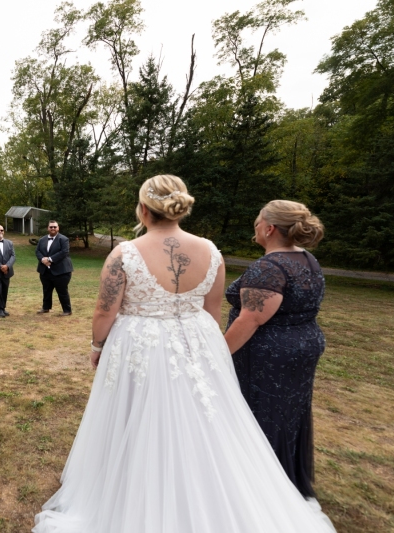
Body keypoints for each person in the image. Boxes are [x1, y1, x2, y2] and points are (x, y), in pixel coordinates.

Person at [33, 175, 335, 533]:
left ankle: (135, 490)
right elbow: (210, 312)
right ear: (179, 208)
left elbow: (104, 312)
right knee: (203, 420)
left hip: (139, 345)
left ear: (144, 209)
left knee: (137, 415)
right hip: (197, 340)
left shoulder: (124, 254)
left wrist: (98, 346)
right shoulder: (212, 251)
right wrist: (202, 348)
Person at [224, 200, 326, 498]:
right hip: (304, 344)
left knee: (263, 412)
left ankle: (259, 484)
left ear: (269, 228)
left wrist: (215, 356)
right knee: (289, 412)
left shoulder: (268, 268)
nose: (254, 225)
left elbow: (250, 320)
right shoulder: (307, 259)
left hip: (269, 354)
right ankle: (284, 474)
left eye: (257, 221)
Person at [35, 220, 74, 316]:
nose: (53, 228)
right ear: (48, 228)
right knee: (46, 290)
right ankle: (46, 308)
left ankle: (67, 310)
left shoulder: (64, 239)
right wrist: (43, 259)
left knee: (62, 291)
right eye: (51, 227)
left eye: (55, 227)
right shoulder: (42, 240)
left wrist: (50, 259)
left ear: (58, 228)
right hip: (45, 270)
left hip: (61, 271)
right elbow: (37, 251)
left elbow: (64, 252)